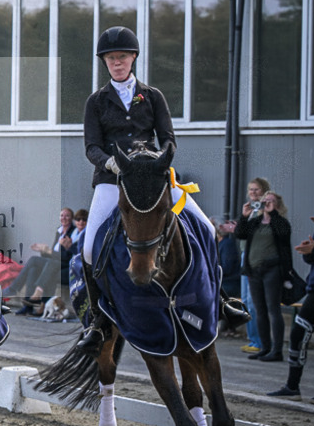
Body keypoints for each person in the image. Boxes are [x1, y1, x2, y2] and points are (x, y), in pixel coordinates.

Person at [76, 26, 212, 354]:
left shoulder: (152, 96)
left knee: (206, 228)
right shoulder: (96, 101)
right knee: (89, 248)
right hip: (113, 181)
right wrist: (111, 163)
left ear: (133, 57)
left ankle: (221, 299)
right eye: (111, 58)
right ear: (105, 62)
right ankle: (96, 319)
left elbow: (168, 139)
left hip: (152, 180)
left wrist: (155, 160)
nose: (117, 62)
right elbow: (91, 146)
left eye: (122, 56)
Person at [234, 191, 293, 362]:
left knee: (273, 309)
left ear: (278, 205)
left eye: (271, 201)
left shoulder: (281, 223)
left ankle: (277, 350)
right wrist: (244, 217)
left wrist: (273, 213)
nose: (267, 203)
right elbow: (240, 234)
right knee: (259, 311)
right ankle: (265, 347)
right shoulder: (255, 222)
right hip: (255, 272)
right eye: (265, 200)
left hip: (272, 270)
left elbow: (283, 234)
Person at [268, 214, 314, 401]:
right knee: (298, 334)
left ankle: (292, 386)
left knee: (298, 333)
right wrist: (309, 252)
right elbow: (312, 260)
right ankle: (292, 386)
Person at [12, 208, 77, 316]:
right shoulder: (59, 231)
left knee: (35, 261)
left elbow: (66, 257)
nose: (64, 218)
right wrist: (43, 251)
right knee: (34, 269)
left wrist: (49, 251)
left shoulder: (73, 232)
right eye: (62, 215)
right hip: (54, 263)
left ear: (72, 218)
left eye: (67, 216)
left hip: (64, 265)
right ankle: (28, 306)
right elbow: (53, 253)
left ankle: (16, 289)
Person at [238, 177, 271, 354]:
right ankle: (253, 340)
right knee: (245, 299)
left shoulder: (269, 211)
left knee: (254, 301)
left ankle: (260, 341)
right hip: (245, 256)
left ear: (265, 192)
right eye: (251, 190)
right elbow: (241, 234)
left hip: (257, 258)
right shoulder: (250, 211)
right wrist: (243, 218)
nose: (253, 193)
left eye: (257, 190)